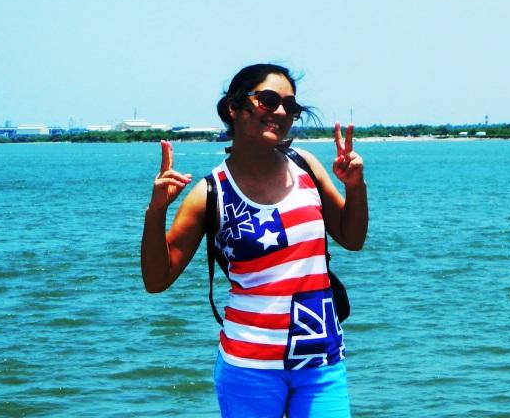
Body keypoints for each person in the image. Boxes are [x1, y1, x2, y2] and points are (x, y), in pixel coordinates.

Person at [141, 64, 368, 418]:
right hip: (249, 367)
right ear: (234, 107)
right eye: (268, 100)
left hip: (320, 360)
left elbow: (352, 238)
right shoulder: (211, 193)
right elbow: (157, 280)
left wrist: (355, 186)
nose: (281, 112)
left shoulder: (305, 166)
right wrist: (156, 212)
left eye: (290, 106)